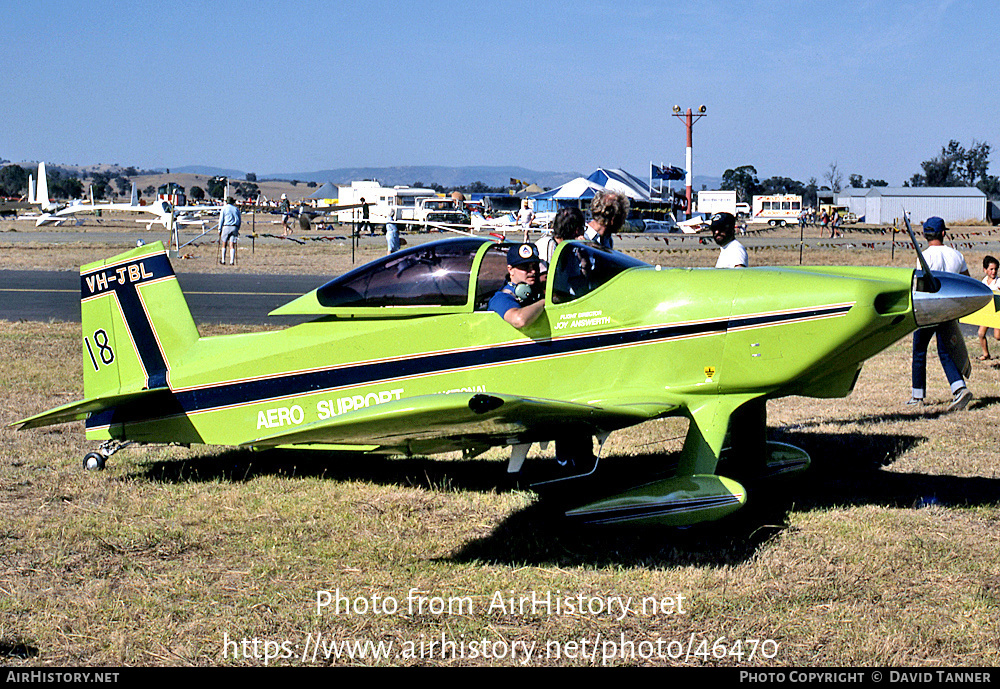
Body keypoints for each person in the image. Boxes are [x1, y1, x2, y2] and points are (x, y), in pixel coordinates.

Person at [909, 217, 973, 410]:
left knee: (919, 350)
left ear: (926, 235)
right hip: (950, 308)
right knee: (946, 350)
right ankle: (959, 388)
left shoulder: (924, 256)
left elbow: (921, 286)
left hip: (929, 309)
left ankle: (917, 396)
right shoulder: (957, 255)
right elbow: (966, 280)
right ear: (943, 233)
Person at [487, 244, 545, 328]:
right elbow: (520, 320)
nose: (532, 271)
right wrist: (544, 302)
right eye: (525, 266)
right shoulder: (501, 298)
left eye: (535, 266)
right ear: (510, 270)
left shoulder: (535, 291)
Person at [977, 255, 1000, 360]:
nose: (994, 271)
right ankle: (986, 354)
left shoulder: (998, 282)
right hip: (988, 311)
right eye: (991, 269)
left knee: (997, 336)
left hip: (997, 312)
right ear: (985, 270)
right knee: (981, 333)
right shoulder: (984, 281)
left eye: (995, 269)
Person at [217, 197, 241, 266]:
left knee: (224, 243)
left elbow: (221, 219)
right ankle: (232, 261)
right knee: (232, 244)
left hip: (226, 226)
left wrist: (219, 229)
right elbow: (239, 220)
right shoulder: (236, 209)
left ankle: (223, 260)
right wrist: (238, 229)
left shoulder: (224, 208)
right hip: (234, 227)